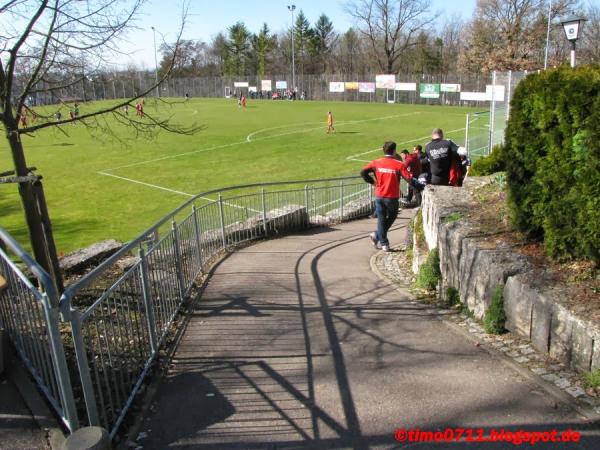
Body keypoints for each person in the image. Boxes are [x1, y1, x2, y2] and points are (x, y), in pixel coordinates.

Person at [360, 141, 424, 252]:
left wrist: (373, 182)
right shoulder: (398, 164)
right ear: (394, 151)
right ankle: (382, 241)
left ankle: (378, 237)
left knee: (381, 219)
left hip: (379, 195)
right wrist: (422, 186)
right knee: (392, 216)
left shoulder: (376, 162)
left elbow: (363, 172)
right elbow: (409, 179)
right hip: (391, 196)